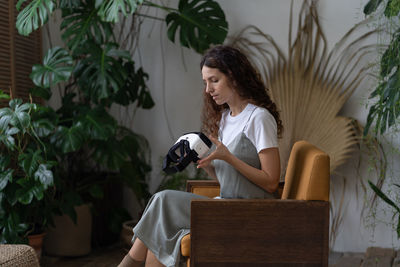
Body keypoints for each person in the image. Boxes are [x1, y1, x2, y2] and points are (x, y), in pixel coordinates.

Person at [118, 45, 283, 267]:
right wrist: (207, 165)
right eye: (205, 82)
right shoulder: (226, 118)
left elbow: (272, 182)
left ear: (233, 77)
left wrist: (228, 157)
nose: (208, 89)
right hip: (226, 205)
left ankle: (125, 265)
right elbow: (228, 183)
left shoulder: (259, 118)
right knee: (160, 226)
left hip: (249, 212)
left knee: (162, 200)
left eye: (214, 80)